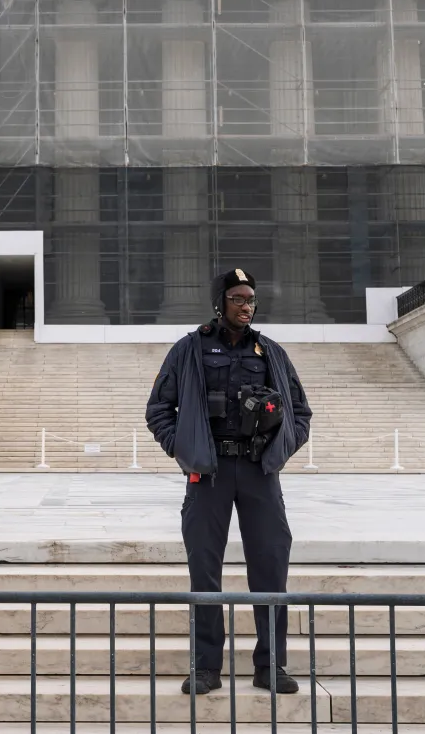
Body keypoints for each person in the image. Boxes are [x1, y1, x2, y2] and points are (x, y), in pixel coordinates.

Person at [145, 269, 313, 696]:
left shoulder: (269, 351)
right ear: (220, 302)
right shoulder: (190, 349)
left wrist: (278, 450)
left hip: (259, 472)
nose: (247, 305)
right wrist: (183, 448)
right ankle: (205, 669)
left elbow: (300, 412)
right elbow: (159, 409)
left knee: (271, 567)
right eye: (238, 298)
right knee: (205, 570)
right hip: (209, 472)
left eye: (251, 299)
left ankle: (271, 666)